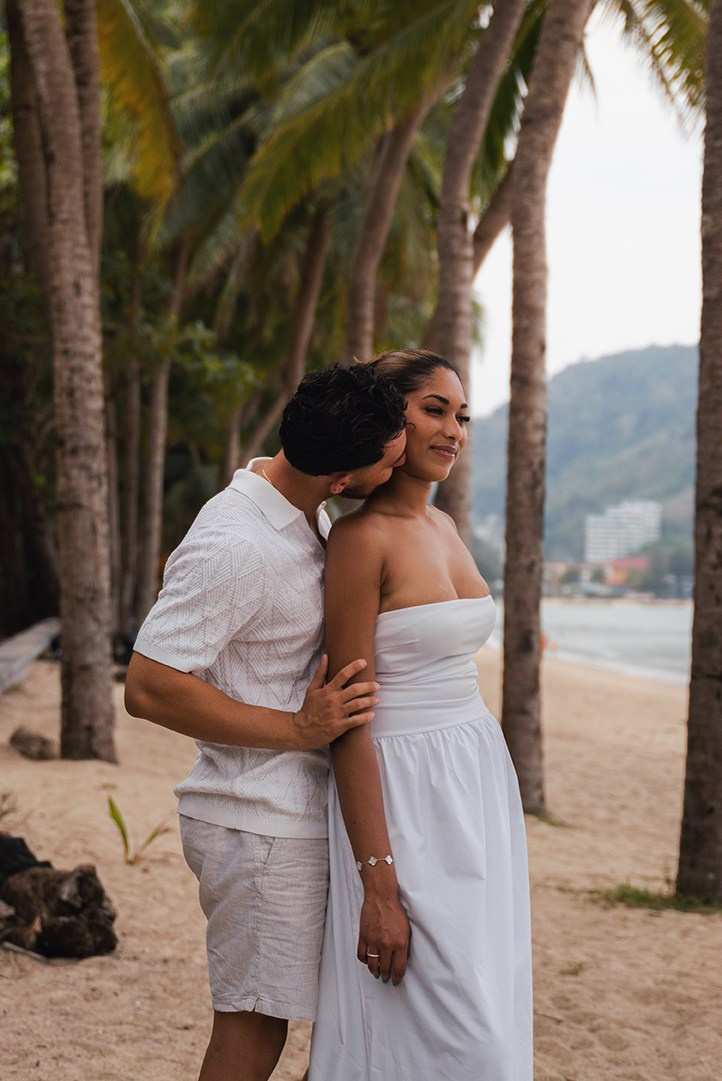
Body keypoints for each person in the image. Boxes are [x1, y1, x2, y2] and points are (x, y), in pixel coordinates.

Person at [124, 363, 408, 1081]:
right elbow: (149, 685)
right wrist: (296, 728)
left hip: (290, 814)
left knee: (279, 1020)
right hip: (256, 823)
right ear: (343, 477)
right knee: (254, 1029)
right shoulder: (235, 542)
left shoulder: (299, 508)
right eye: (391, 459)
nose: (400, 465)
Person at [308, 349, 533, 1081]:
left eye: (462, 415)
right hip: (403, 796)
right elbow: (347, 717)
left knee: (487, 1009)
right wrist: (378, 883)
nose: (454, 429)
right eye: (434, 409)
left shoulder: (446, 529)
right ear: (388, 419)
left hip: (474, 789)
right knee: (455, 1032)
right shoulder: (357, 538)